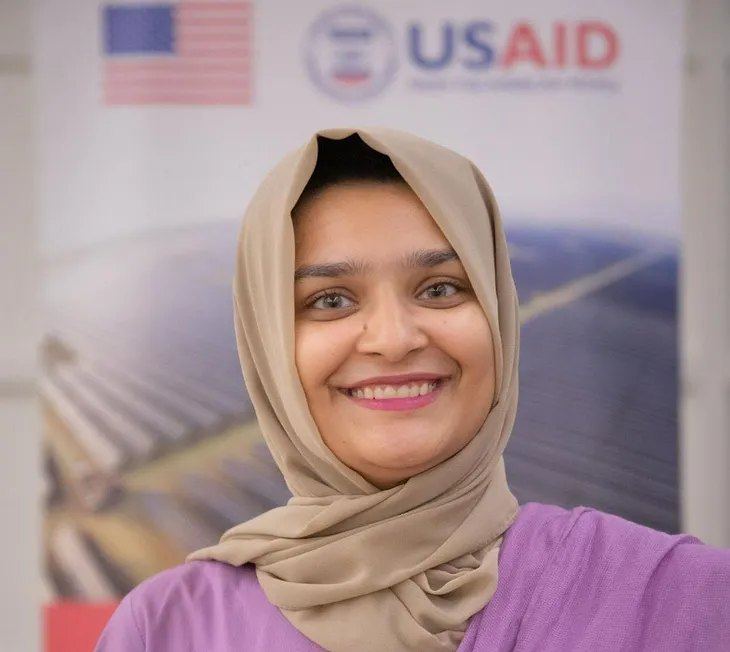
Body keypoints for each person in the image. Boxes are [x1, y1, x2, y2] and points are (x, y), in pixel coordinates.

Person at [95, 127, 730, 652]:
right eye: (331, 300)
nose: (393, 339)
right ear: (266, 343)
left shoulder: (682, 600)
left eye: (440, 288)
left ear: (499, 314)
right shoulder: (170, 630)